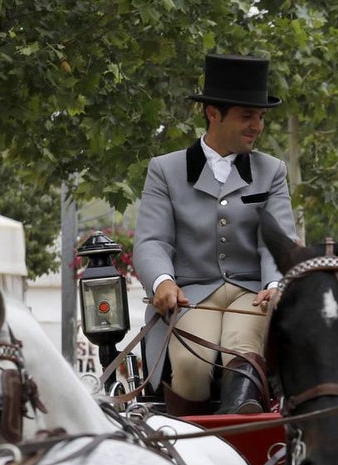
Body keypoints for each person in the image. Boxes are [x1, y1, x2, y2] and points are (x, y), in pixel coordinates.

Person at [134, 53, 296, 416]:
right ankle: (189, 448)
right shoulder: (164, 170)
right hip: (191, 294)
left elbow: (278, 242)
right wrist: (162, 281)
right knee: (192, 365)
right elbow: (152, 241)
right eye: (247, 116)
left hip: (252, 293)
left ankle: (243, 434)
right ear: (213, 114)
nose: (257, 126)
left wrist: (275, 285)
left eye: (261, 117)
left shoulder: (272, 171)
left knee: (241, 351)